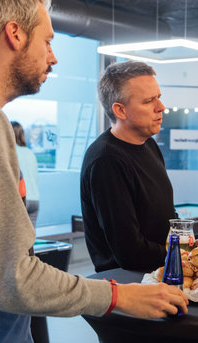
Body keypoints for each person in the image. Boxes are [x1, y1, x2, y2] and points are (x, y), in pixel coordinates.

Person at [0, 0, 188, 342]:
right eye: (47, 41)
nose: (53, 57)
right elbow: (11, 280)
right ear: (14, 34)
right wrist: (120, 295)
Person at [80, 61, 174, 273]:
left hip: (162, 272)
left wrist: (190, 246)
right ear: (120, 110)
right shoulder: (106, 161)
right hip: (127, 284)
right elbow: (130, 252)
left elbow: (164, 216)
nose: (161, 107)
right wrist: (183, 257)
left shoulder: (149, 144)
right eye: (149, 101)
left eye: (159, 97)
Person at [11, 121, 40, 227]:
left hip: (21, 200)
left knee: (17, 239)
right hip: (35, 199)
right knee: (30, 239)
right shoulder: (30, 153)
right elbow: (35, 177)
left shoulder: (11, 152)